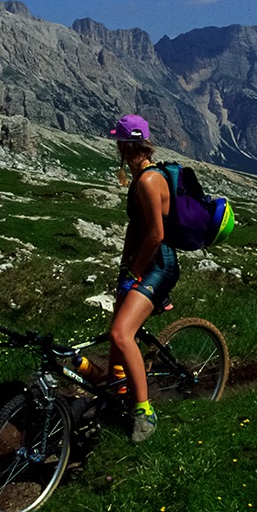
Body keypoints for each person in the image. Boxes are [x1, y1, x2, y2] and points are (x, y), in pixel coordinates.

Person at [106, 114, 178, 443]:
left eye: (119, 141)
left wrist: (134, 273)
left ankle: (144, 411)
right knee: (116, 331)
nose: (116, 146)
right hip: (141, 265)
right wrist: (124, 271)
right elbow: (135, 231)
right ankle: (117, 391)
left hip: (158, 266)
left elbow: (155, 236)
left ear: (127, 144)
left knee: (122, 334)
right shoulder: (138, 178)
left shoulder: (149, 180)